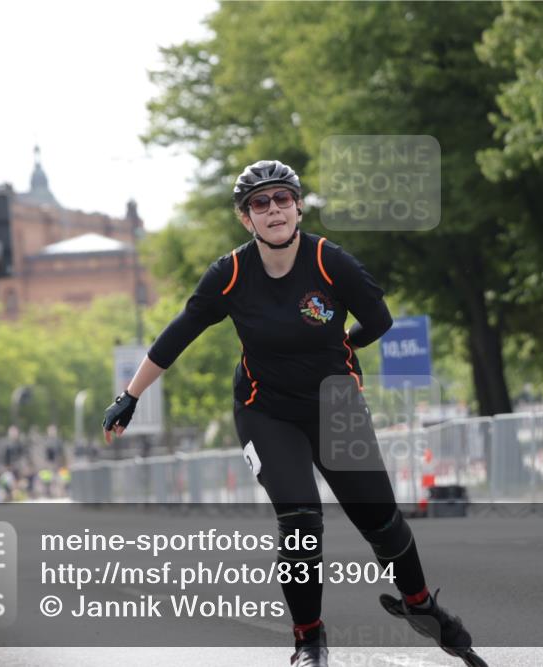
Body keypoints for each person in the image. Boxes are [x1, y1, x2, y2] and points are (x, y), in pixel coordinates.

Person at [103, 161, 486, 667]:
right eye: (260, 203)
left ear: (299, 206)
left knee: (381, 520)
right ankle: (308, 639)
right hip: (267, 412)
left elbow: (379, 319)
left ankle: (420, 605)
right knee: (301, 522)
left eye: (282, 198)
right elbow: (177, 335)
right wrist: (129, 396)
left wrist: (342, 345)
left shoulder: (330, 261)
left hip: (335, 405)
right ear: (247, 219)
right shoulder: (231, 274)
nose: (274, 209)